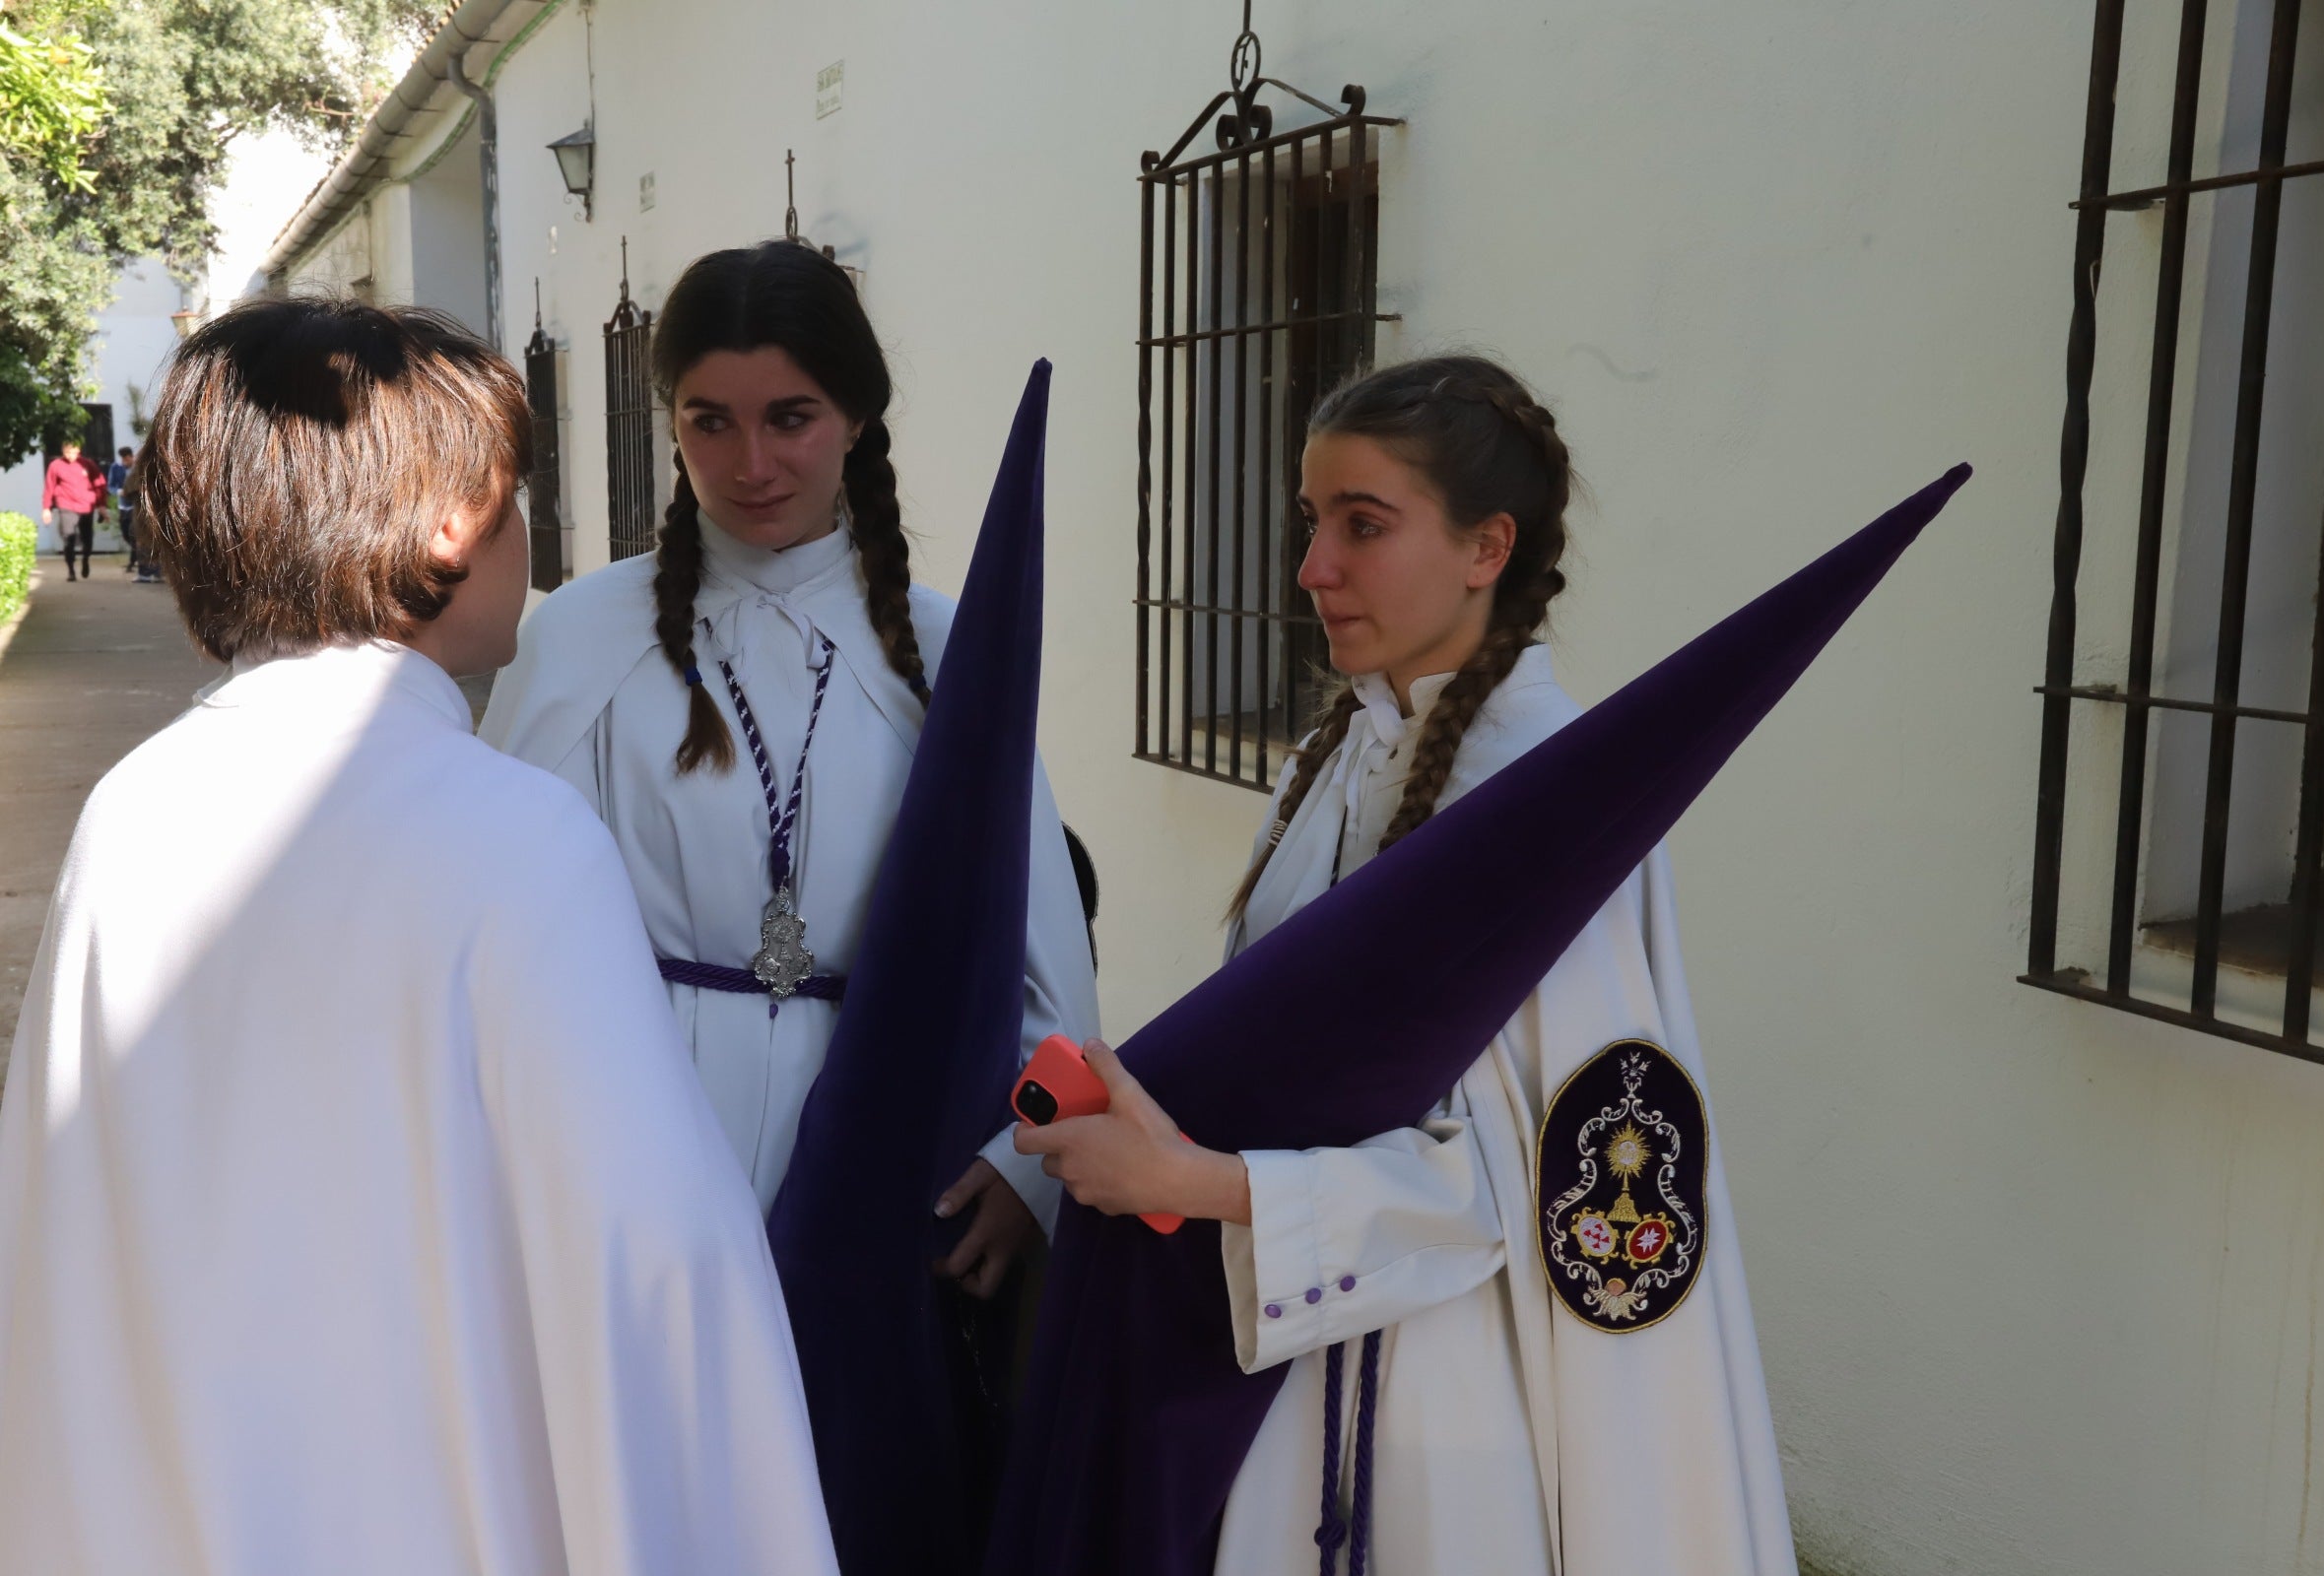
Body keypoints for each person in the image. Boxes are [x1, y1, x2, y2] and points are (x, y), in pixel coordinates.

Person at [0, 296, 840, 1576]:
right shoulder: (516, 841)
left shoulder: (133, 814)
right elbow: (661, 1288)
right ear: (453, 523)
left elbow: (63, 1229)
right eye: (515, 501)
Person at [1014, 356, 1794, 1575]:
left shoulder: (1550, 794)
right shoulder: (1336, 754)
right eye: (1311, 522)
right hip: (1287, 1357)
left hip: (1440, 1402)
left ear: (1488, 546)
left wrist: (1199, 1180)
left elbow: (1542, 1187)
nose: (1314, 567)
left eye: (1362, 526)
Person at [480, 240, 1098, 1296]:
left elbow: (1042, 949)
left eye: (791, 418)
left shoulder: (948, 649)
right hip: (634, 1129)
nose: (751, 464)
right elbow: (497, 919)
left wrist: (1026, 1161)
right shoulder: (586, 635)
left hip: (885, 1145)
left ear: (856, 417)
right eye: (709, 421)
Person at [40, 438, 99, 581]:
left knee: (87, 537)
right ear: (63, 451)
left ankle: (85, 558)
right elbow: (49, 487)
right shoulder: (56, 465)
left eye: (72, 452)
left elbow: (98, 483)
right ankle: (71, 570)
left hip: (86, 505)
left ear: (78, 451)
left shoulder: (87, 464)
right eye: (67, 452)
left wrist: (101, 505)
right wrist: (46, 508)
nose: (70, 455)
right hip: (66, 504)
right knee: (68, 537)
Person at [107, 445, 138, 575]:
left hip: (136, 506)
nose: (126, 462)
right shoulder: (116, 468)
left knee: (134, 534)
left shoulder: (137, 468)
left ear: (132, 457)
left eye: (128, 459)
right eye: (123, 459)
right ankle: (136, 553)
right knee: (126, 534)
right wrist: (119, 492)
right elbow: (110, 485)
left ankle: (132, 561)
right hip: (123, 506)